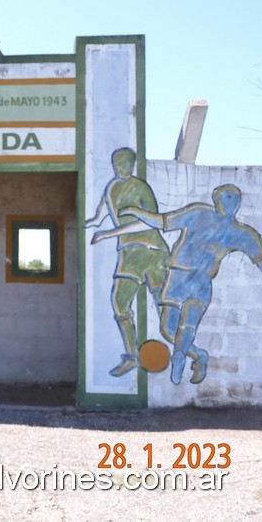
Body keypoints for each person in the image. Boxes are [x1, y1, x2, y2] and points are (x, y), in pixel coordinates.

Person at [122, 184, 262, 384]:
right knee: (169, 330)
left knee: (188, 326)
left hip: (200, 283)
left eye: (234, 199)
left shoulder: (240, 233)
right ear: (218, 201)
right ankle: (198, 355)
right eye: (225, 198)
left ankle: (179, 356)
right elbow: (163, 221)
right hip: (176, 278)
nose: (229, 203)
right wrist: (137, 212)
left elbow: (261, 259)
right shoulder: (197, 214)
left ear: (239, 204)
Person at [85, 148, 170, 377]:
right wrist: (93, 221)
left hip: (152, 252)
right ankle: (132, 356)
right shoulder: (112, 186)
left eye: (125, 162)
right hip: (128, 253)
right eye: (116, 162)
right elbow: (104, 207)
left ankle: (184, 349)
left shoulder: (140, 187)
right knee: (119, 303)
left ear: (132, 164)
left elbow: (151, 222)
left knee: (163, 305)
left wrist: (108, 233)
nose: (120, 166)